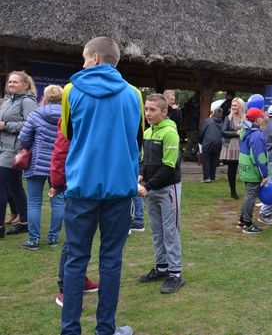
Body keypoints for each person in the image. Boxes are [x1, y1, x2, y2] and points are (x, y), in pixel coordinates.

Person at [58, 36, 143, 335]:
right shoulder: (134, 95)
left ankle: (70, 330)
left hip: (82, 188)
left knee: (75, 260)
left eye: (84, 57)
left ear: (94, 58)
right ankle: (105, 329)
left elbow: (69, 135)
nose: (82, 63)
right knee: (111, 260)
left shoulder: (70, 91)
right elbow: (137, 140)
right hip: (119, 190)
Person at [49, 118, 100, 308]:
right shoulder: (70, 113)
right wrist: (57, 181)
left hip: (95, 181)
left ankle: (80, 279)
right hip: (78, 182)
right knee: (74, 239)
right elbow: (61, 149)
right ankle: (66, 288)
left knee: (82, 237)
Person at [137, 93, 184, 294]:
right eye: (146, 109)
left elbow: (168, 166)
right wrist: (140, 175)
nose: (147, 113)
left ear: (164, 112)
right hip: (151, 190)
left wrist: (147, 186)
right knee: (157, 231)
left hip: (167, 189)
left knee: (170, 231)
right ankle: (162, 268)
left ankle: (176, 274)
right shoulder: (148, 133)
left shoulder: (170, 133)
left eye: (152, 109)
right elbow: (144, 161)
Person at [17, 84, 64, 250]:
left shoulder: (35, 114)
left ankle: (33, 240)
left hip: (36, 163)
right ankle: (53, 238)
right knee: (58, 202)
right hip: (59, 165)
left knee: (34, 202)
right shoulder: (68, 116)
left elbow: (23, 138)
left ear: (44, 97)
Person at [0, 70, 37, 238]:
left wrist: (6, 125)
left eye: (15, 82)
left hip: (14, 150)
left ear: (25, 85)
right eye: (10, 82)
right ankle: (24, 222)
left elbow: (30, 125)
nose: (11, 85)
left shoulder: (28, 102)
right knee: (15, 187)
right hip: (2, 147)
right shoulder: (7, 100)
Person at [236, 108, 268, 234]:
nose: (263, 119)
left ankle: (242, 220)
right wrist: (264, 174)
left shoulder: (245, 131)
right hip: (253, 170)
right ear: (257, 119)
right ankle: (248, 224)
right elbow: (259, 157)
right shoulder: (257, 135)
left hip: (245, 168)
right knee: (251, 197)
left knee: (248, 195)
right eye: (261, 117)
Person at [220, 97, 245, 199]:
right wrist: (235, 133)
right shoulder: (228, 118)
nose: (233, 107)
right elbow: (223, 131)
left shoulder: (245, 117)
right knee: (232, 169)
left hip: (243, 145)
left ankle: (249, 190)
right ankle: (233, 192)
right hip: (231, 146)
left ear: (240, 106)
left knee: (245, 168)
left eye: (235, 105)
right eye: (232, 105)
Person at [199, 108, 224, 182]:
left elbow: (202, 131)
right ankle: (212, 177)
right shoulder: (222, 122)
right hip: (218, 143)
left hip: (208, 142)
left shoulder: (208, 121)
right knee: (214, 160)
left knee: (206, 160)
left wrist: (200, 141)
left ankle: (207, 177)